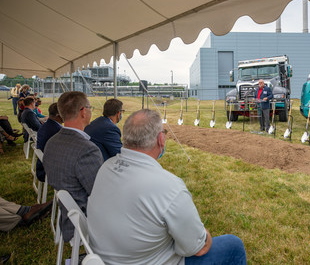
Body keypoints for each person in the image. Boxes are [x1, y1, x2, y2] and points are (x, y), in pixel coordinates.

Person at [87, 109, 246, 265]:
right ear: (160, 139)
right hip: (144, 260)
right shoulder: (169, 187)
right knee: (233, 245)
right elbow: (199, 248)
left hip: (104, 257)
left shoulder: (106, 167)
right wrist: (204, 235)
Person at [43, 91, 103, 243]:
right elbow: (100, 194)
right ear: (83, 111)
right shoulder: (87, 149)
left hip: (67, 214)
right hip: (83, 222)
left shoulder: (52, 141)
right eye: (90, 107)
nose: (90, 111)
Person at [36, 103, 63, 182]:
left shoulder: (46, 125)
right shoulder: (57, 130)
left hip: (41, 166)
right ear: (59, 115)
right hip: (48, 171)